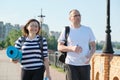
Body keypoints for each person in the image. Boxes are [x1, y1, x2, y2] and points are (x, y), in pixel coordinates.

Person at [57, 9, 96, 80]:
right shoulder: (66, 30)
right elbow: (59, 47)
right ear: (70, 18)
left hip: (85, 64)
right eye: (75, 16)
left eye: (79, 15)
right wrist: (71, 48)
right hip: (71, 64)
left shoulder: (88, 30)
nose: (78, 17)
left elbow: (93, 47)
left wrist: (90, 56)